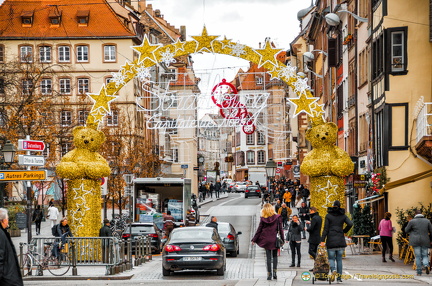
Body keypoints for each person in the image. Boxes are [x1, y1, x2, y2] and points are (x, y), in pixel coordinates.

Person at [320, 200, 353, 283]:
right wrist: (344, 231)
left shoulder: (328, 216)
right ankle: (339, 278)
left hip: (331, 240)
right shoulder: (343, 216)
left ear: (333, 205)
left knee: (331, 258)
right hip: (340, 240)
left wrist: (322, 240)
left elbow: (325, 229)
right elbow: (350, 224)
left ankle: (333, 269)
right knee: (339, 259)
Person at [251, 203, 284, 280]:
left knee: (268, 257)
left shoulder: (263, 218)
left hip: (266, 239)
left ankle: (269, 274)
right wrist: (283, 239)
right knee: (275, 256)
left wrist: (254, 239)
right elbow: (281, 229)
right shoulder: (277, 217)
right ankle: (275, 272)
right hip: (274, 239)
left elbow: (259, 230)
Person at [0, 208, 24, 286]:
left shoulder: (3, 232)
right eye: (7, 219)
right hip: (7, 280)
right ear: (2, 220)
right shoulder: (1, 234)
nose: (8, 221)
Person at [405, 209, 432, 276]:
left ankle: (419, 272)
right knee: (425, 255)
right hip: (425, 240)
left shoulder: (412, 221)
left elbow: (406, 230)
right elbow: (431, 231)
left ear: (415, 214)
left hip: (415, 240)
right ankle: (426, 265)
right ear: (422, 214)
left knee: (418, 256)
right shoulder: (427, 221)